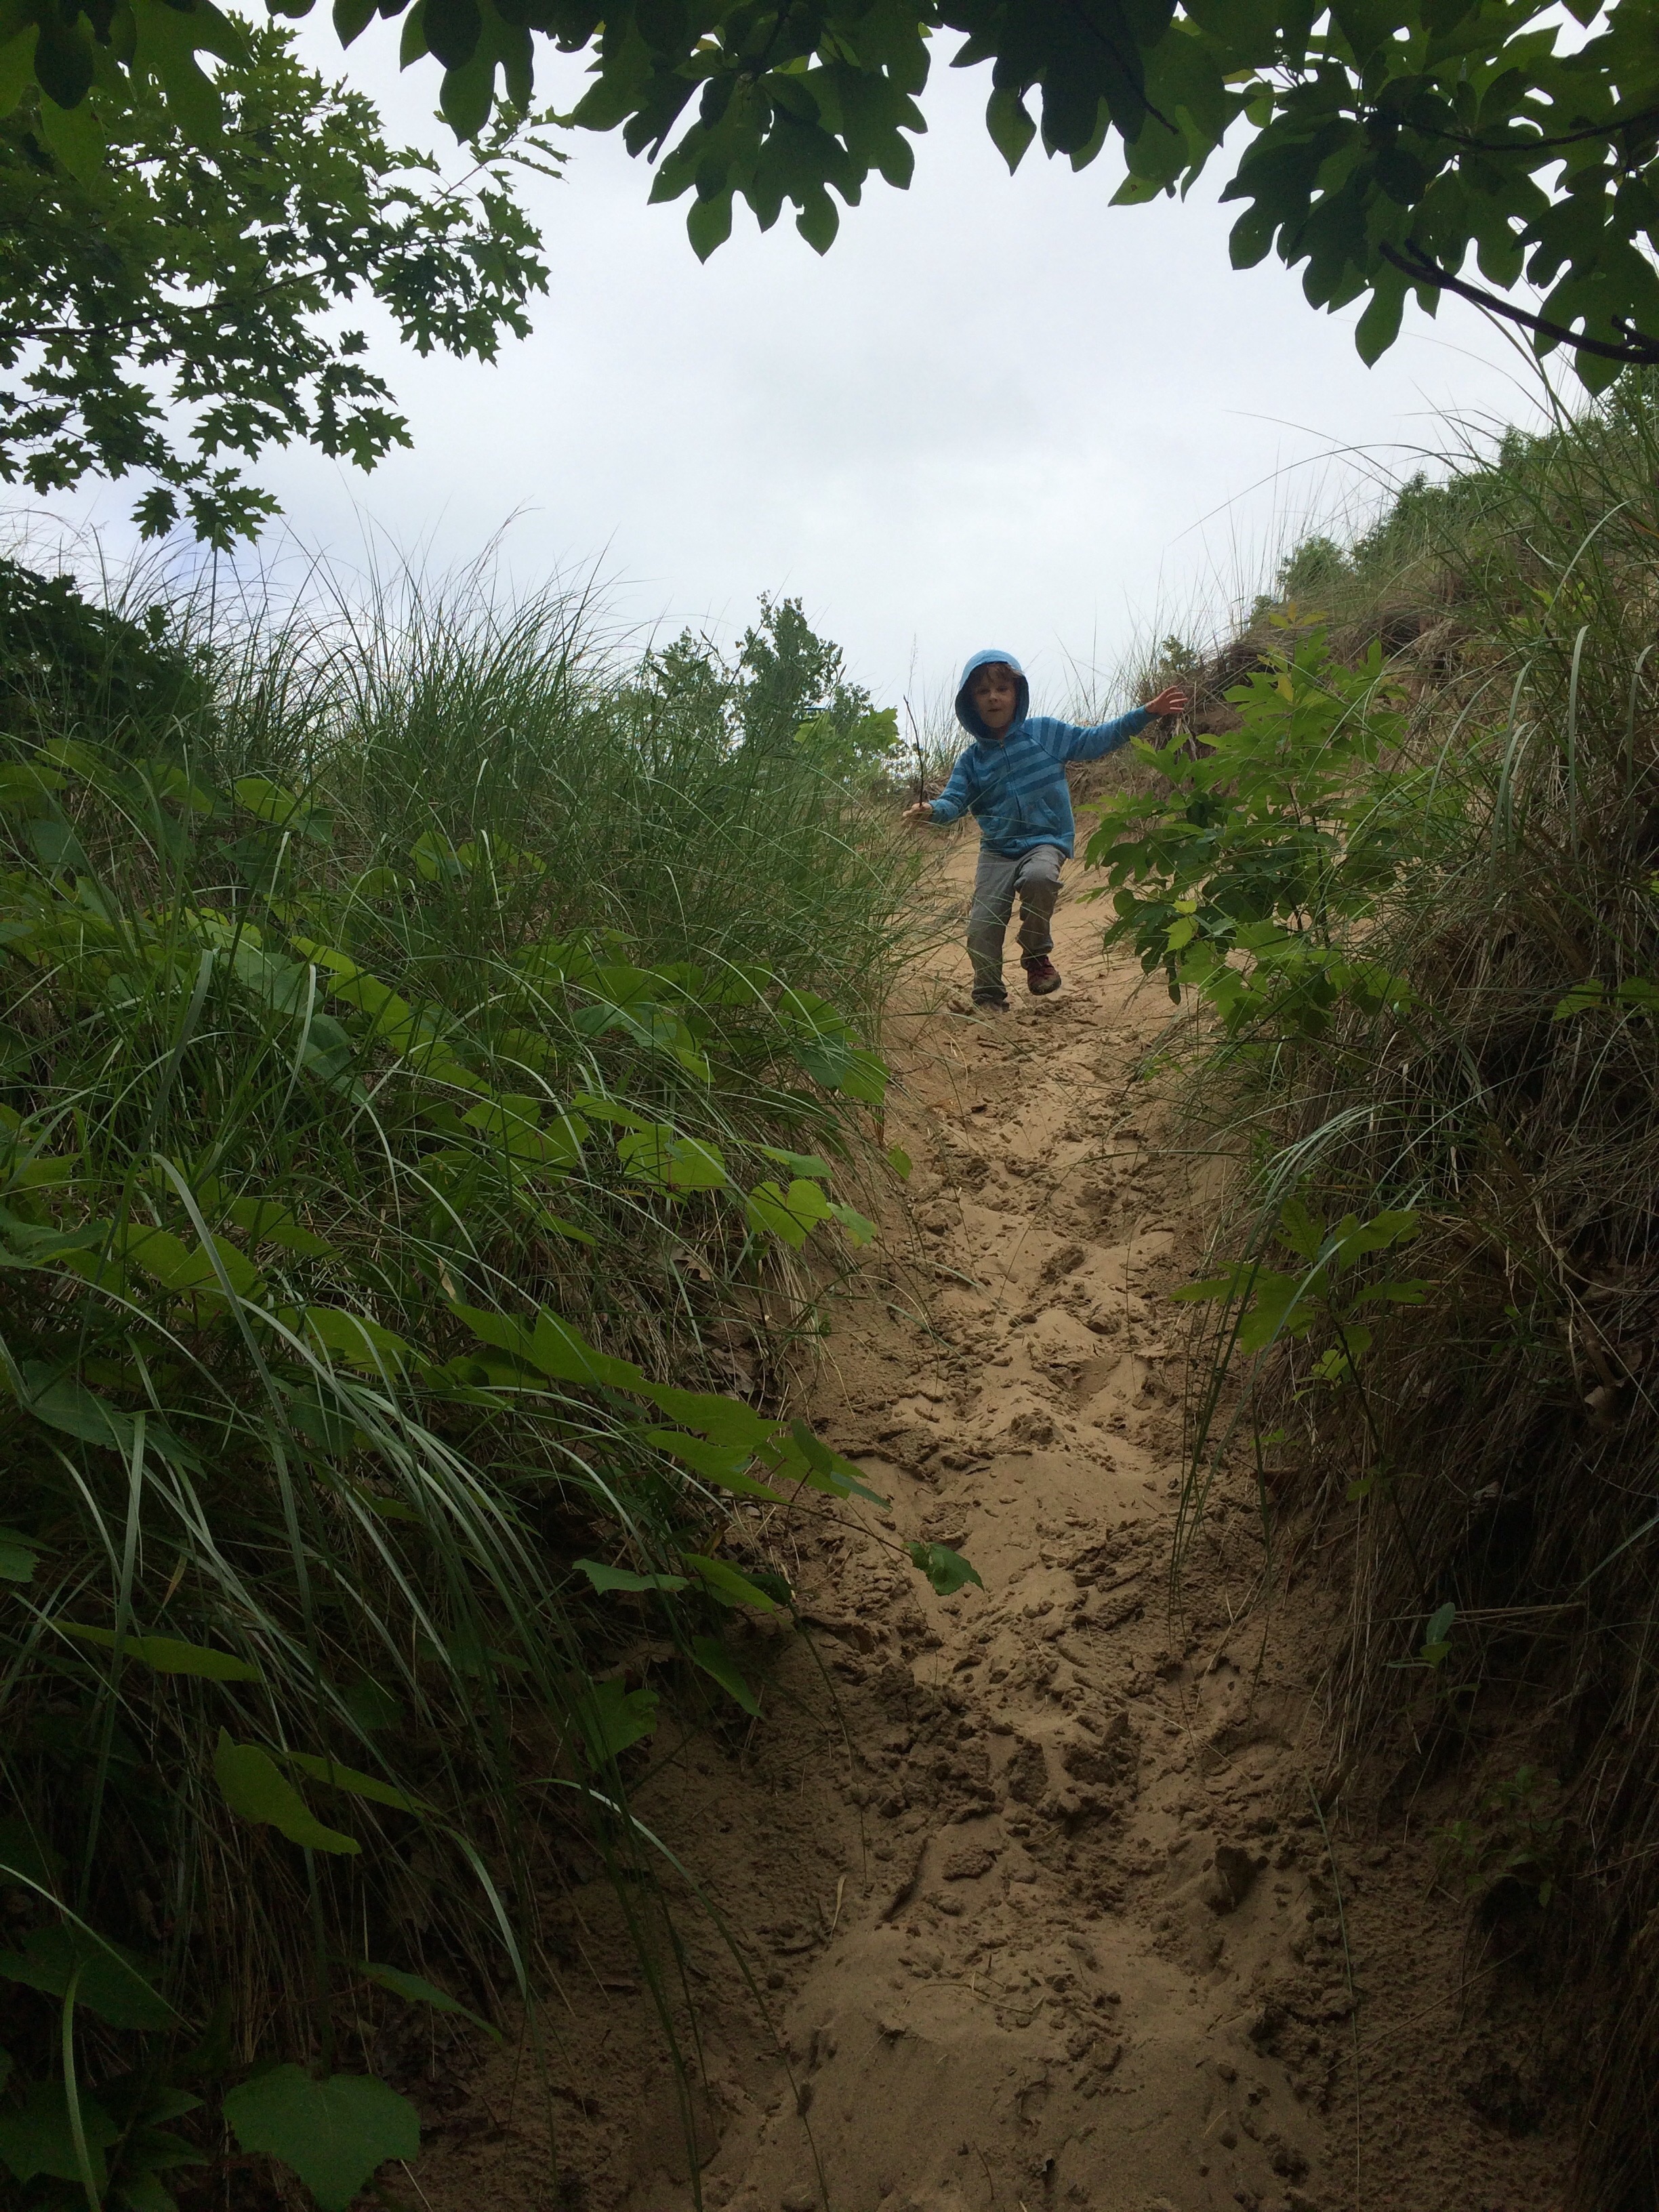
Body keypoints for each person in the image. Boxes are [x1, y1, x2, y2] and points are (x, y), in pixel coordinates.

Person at [905, 649, 1189, 1008]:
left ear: (1017, 693)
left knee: (1039, 877)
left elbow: (1095, 740)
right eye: (982, 692)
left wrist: (1146, 713)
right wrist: (931, 811)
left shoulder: (1045, 733)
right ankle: (988, 995)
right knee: (982, 927)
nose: (993, 697)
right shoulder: (972, 761)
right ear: (970, 702)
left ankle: (1036, 955)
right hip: (997, 851)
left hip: (1046, 840)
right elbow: (954, 801)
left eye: (1002, 689)